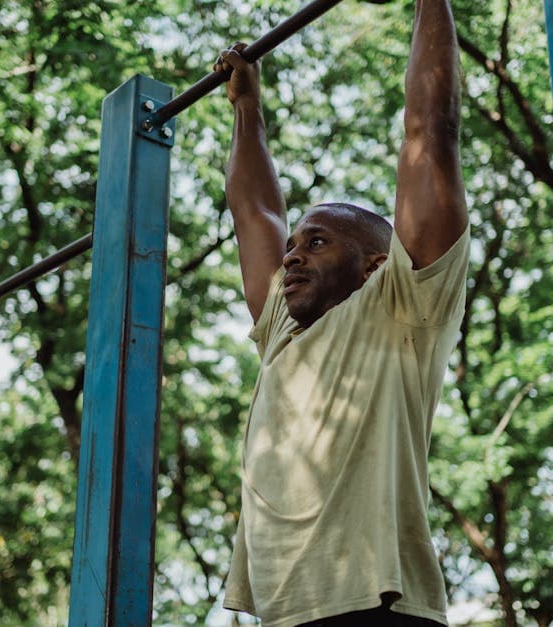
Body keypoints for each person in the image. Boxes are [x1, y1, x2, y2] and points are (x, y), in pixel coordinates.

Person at [215, 0, 469, 625]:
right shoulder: (281, 329)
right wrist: (247, 109)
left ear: (376, 265)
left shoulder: (402, 307)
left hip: (376, 605)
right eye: (297, 244)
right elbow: (256, 215)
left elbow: (428, 131)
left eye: (318, 242)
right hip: (282, 611)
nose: (293, 257)